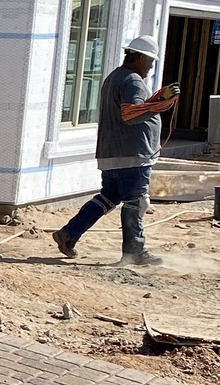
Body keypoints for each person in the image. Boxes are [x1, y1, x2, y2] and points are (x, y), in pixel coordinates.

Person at [51, 31, 177, 266]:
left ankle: (68, 234)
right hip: (132, 155)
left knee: (108, 197)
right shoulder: (132, 81)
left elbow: (132, 109)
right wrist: (160, 105)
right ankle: (134, 251)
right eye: (150, 62)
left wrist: (157, 99)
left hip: (112, 154)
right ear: (140, 58)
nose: (150, 68)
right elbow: (131, 115)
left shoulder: (114, 77)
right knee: (135, 202)